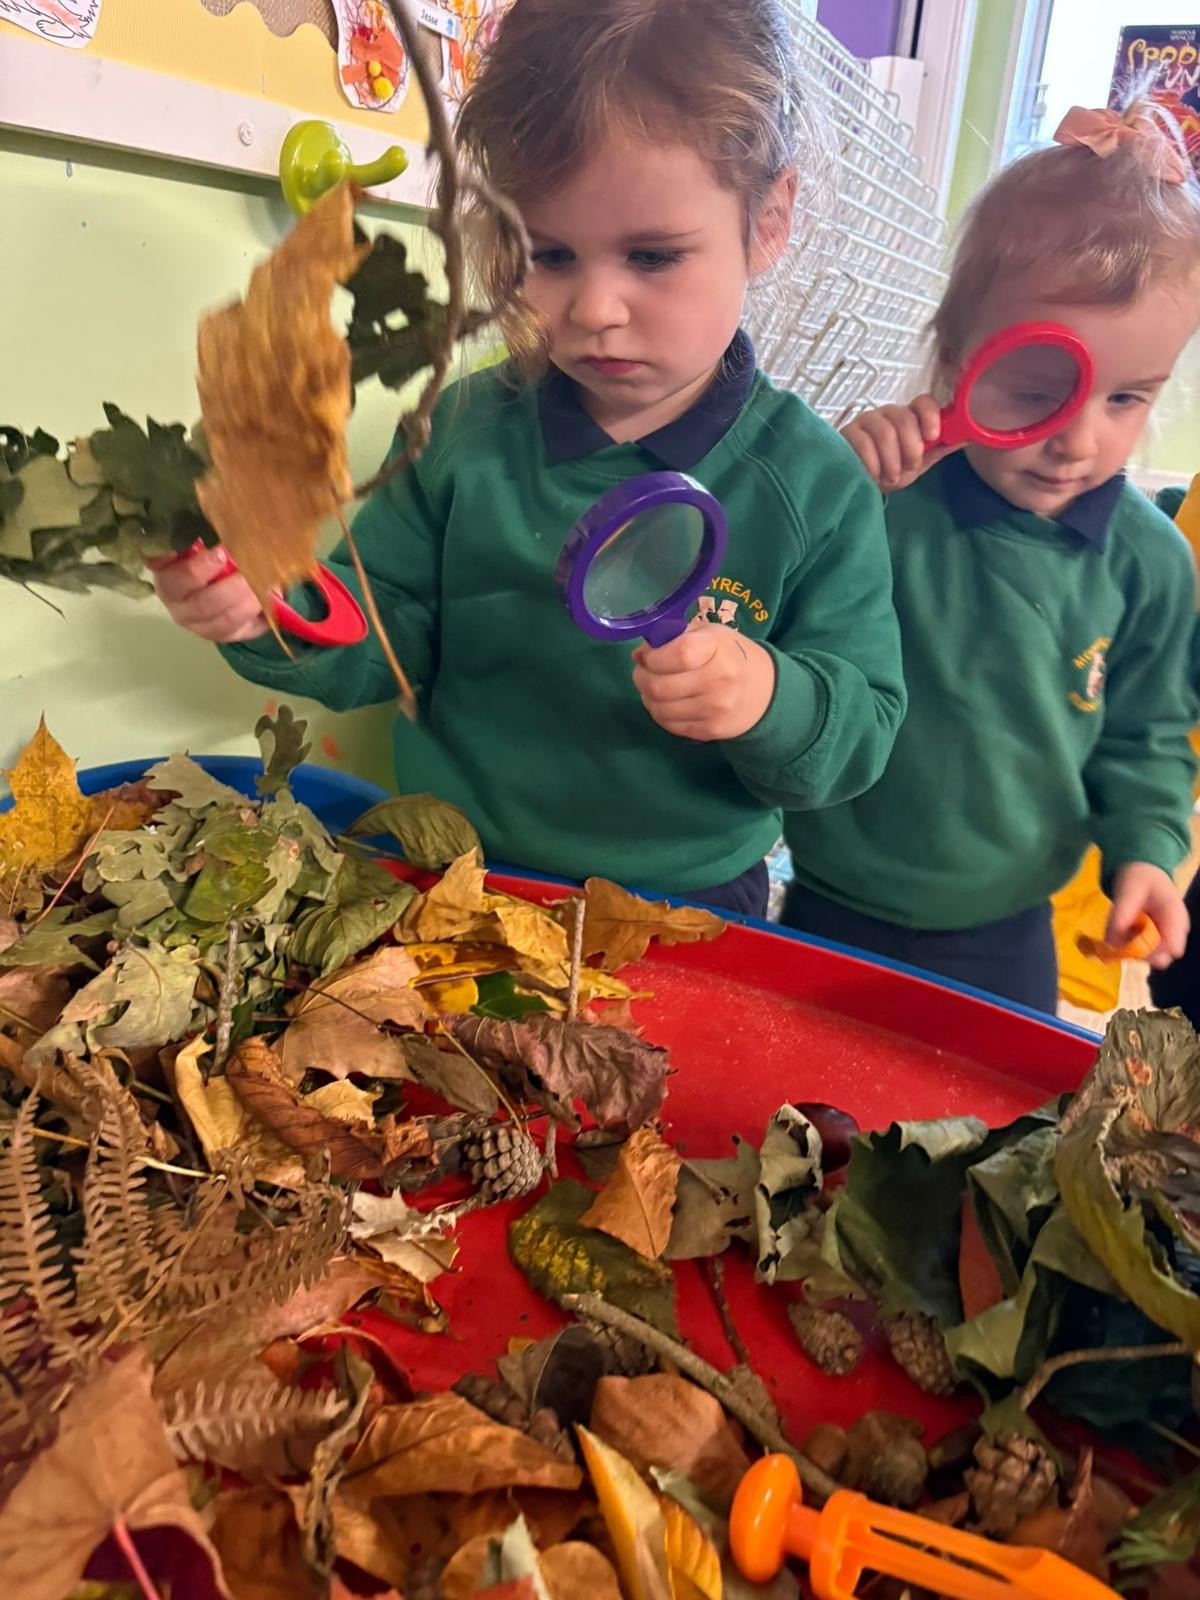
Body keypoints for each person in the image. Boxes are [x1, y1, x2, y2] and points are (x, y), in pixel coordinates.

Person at [153, 0, 905, 918]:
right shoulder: (461, 431)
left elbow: (861, 735)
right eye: (548, 254)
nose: (595, 309)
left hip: (687, 904)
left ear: (770, 220)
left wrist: (768, 697)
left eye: (652, 257)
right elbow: (382, 631)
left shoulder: (817, 487)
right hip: (453, 875)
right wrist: (267, 605)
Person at [783, 102, 1200, 1012]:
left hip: (1008, 932)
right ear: (955, 360)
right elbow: (771, 614)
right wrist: (837, 490)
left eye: (1128, 399)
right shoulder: (883, 507)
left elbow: (1149, 736)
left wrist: (1146, 852)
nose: (1078, 440)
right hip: (828, 904)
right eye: (1040, 392)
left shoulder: (1150, 566)